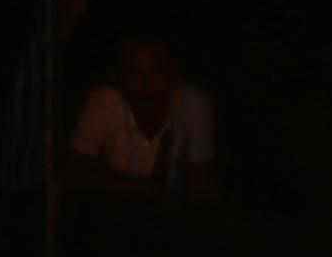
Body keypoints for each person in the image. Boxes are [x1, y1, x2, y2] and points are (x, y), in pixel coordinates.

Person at [66, 33, 219, 199]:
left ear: (173, 72)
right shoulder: (103, 102)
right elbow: (73, 173)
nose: (148, 85)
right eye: (135, 74)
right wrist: (150, 191)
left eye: (157, 72)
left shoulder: (193, 102)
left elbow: (201, 181)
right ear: (116, 78)